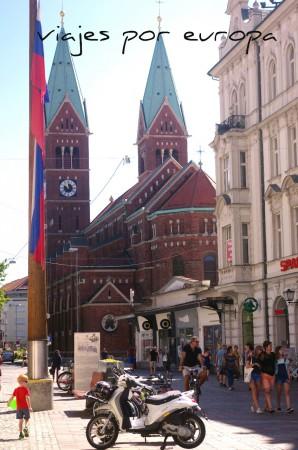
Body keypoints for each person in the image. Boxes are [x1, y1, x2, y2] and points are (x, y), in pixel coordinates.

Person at [7, 374, 32, 439]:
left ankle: (21, 434)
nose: (27, 382)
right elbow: (27, 398)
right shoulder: (26, 389)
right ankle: (26, 427)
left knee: (20, 421)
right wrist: (29, 407)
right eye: (26, 381)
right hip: (25, 407)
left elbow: (12, 397)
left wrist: (9, 402)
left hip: (19, 408)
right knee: (27, 418)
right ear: (22, 382)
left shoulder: (16, 389)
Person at [275, 346, 294, 413]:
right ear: (277, 351)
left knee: (287, 392)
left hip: (285, 376)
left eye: (282, 350)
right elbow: (275, 370)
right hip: (279, 377)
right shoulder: (276, 360)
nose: (282, 351)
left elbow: (288, 369)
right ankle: (278, 406)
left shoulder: (286, 359)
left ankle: (289, 407)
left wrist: (289, 377)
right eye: (280, 350)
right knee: (279, 393)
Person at [259, 340, 275, 413]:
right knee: (267, 390)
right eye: (270, 346)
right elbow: (259, 363)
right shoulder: (262, 355)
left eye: (271, 346)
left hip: (272, 375)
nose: (271, 347)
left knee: (269, 391)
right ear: (266, 347)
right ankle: (270, 408)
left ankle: (266, 406)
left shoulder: (273, 354)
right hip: (264, 374)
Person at [246, 344, 263, 413]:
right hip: (251, 375)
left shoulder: (261, 357)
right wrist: (255, 364)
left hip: (258, 375)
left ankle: (253, 405)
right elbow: (247, 366)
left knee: (257, 392)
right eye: (260, 350)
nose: (261, 352)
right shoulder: (250, 356)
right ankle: (258, 408)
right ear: (257, 350)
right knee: (254, 390)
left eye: (261, 351)